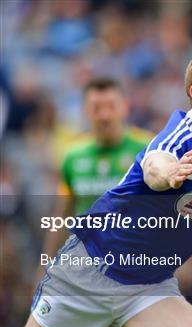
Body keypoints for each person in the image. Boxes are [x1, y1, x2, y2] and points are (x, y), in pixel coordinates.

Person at [20, 44, 192, 327]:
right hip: (90, 270)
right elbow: (156, 165)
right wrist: (170, 173)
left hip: (149, 284)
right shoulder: (179, 136)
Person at [37, 77, 153, 281]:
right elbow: (62, 213)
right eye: (96, 107)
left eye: (111, 106)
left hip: (136, 265)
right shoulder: (73, 156)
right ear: (85, 111)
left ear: (125, 107)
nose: (104, 115)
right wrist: (45, 264)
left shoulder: (148, 149)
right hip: (85, 267)